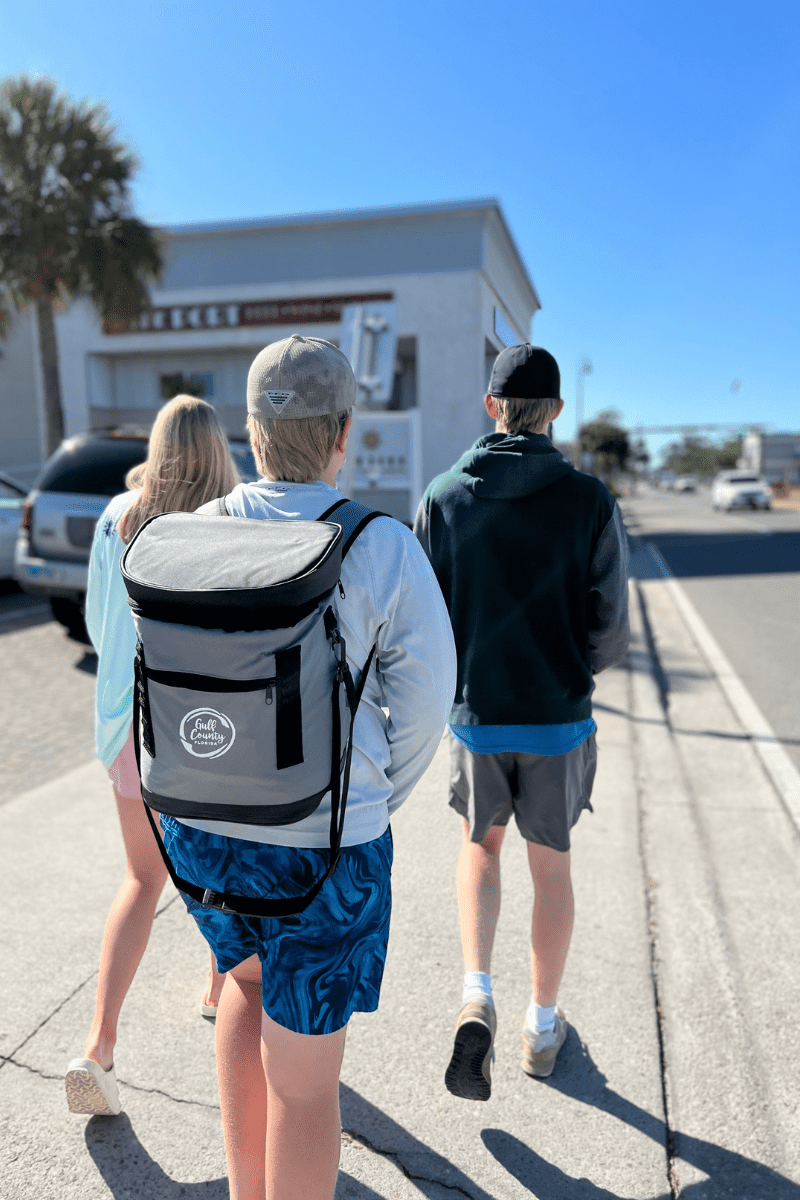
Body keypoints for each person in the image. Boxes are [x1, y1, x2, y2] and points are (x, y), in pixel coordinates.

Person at [160, 335, 456, 1200]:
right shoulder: (379, 546)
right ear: (344, 434)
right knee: (306, 1084)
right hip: (329, 851)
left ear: (252, 433)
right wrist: (369, 800)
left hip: (204, 832)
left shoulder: (187, 537)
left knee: (241, 988)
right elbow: (429, 702)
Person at [413, 343, 629, 1100]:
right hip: (557, 716)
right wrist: (573, 673)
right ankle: (542, 1026)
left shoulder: (443, 496)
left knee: (481, 850)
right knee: (551, 866)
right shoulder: (589, 501)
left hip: (475, 714)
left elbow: (423, 619)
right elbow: (608, 626)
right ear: (557, 413)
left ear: (491, 406)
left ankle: (477, 993)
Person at [64, 395, 238, 1117]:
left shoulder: (116, 517)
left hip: (124, 731)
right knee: (223, 871)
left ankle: (97, 1048)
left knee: (142, 879)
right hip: (203, 734)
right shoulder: (226, 527)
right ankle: (218, 990)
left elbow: (96, 625)